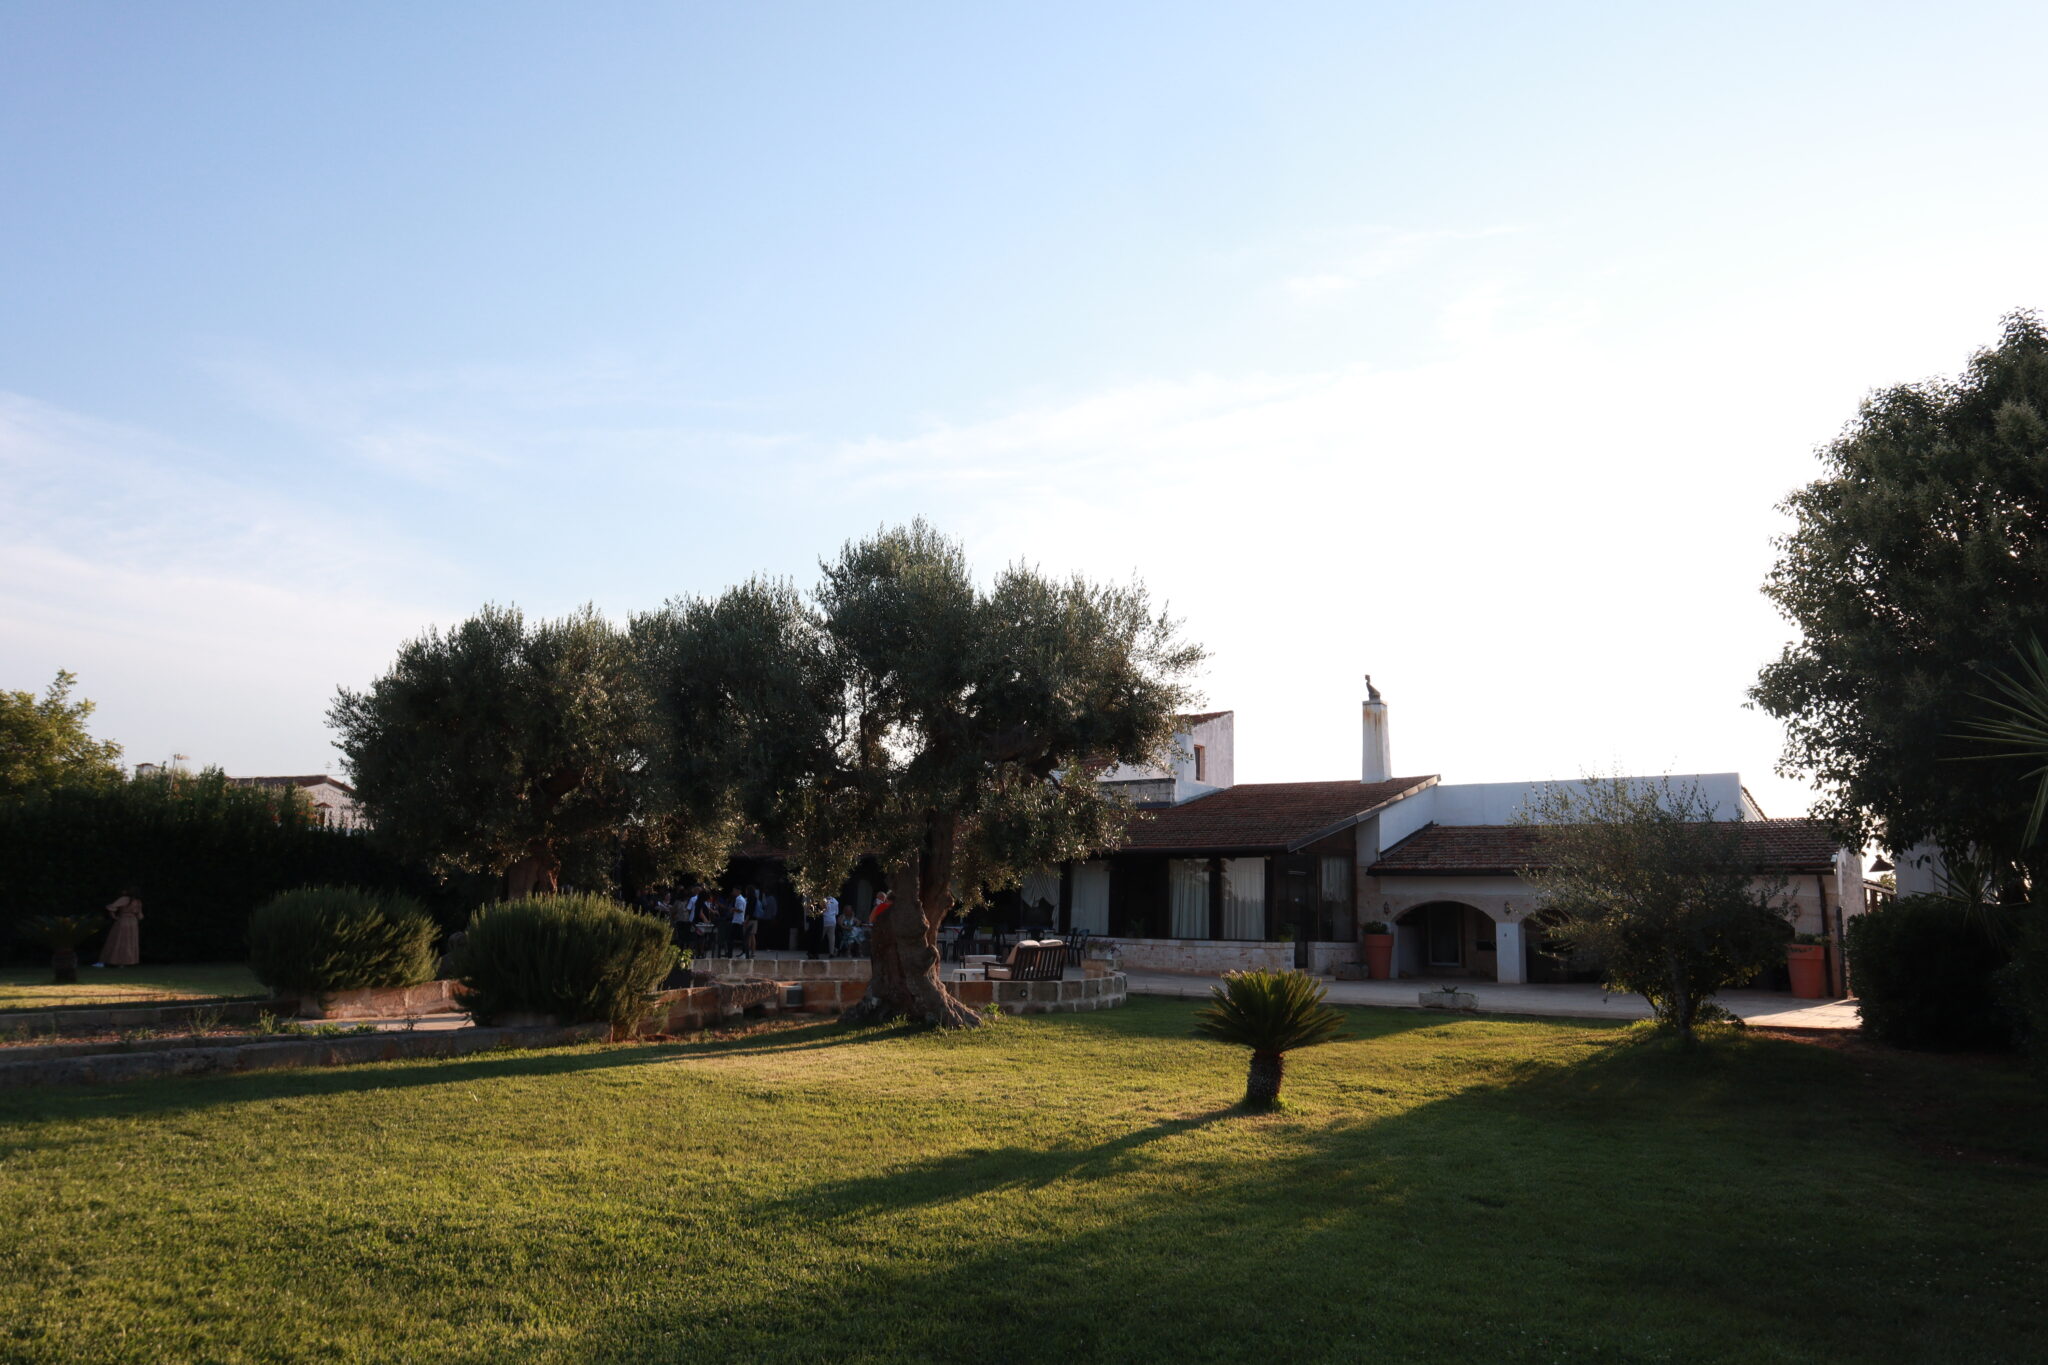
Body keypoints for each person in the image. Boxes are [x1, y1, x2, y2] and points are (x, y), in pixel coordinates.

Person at [96, 887, 143, 968]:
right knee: (129, 942)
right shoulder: (138, 901)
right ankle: (123, 963)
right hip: (133, 923)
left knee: (117, 940)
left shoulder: (124, 899)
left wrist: (114, 917)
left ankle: (113, 961)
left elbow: (111, 907)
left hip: (123, 921)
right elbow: (140, 916)